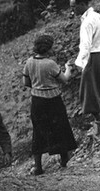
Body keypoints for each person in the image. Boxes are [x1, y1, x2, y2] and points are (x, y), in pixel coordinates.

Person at [22, 34, 78, 176]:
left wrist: (37, 85)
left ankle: (38, 166)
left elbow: (26, 83)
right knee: (60, 127)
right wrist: (68, 68)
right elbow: (64, 79)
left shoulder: (29, 62)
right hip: (53, 100)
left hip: (37, 101)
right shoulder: (50, 64)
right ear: (48, 48)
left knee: (39, 131)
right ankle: (64, 159)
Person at [71, 0, 100, 124]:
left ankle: (98, 117)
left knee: (90, 88)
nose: (73, 10)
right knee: (99, 84)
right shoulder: (97, 16)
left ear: (82, 4)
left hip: (95, 56)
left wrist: (80, 62)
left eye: (74, 7)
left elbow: (85, 45)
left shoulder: (87, 22)